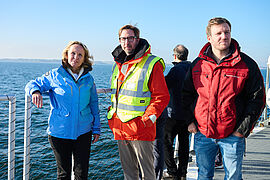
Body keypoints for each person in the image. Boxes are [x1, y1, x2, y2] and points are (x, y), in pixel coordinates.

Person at [182, 17, 265, 179]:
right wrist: (190, 121)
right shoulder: (198, 65)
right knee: (204, 175)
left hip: (232, 135)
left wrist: (242, 130)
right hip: (203, 133)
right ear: (209, 38)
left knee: (233, 177)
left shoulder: (246, 64)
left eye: (226, 32)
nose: (224, 36)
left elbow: (257, 99)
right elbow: (186, 94)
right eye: (218, 33)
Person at [25, 41, 101, 179]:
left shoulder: (88, 79)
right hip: (59, 132)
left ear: (84, 58)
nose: (76, 57)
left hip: (84, 132)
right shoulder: (55, 75)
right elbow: (32, 83)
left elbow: (94, 104)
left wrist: (96, 128)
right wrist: (35, 91)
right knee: (64, 174)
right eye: (73, 53)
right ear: (66, 55)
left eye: (80, 55)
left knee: (81, 173)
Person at [107, 24, 170, 180]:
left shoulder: (151, 63)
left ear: (137, 39)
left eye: (130, 38)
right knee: (129, 173)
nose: (126, 42)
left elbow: (161, 96)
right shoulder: (119, 63)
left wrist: (148, 118)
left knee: (148, 172)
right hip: (121, 127)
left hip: (141, 128)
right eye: (123, 39)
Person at [163, 44, 191, 180]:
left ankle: (172, 171)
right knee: (184, 144)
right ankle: (183, 172)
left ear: (175, 56)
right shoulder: (192, 68)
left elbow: (163, 85)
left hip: (173, 113)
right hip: (188, 115)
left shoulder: (175, 70)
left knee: (166, 142)